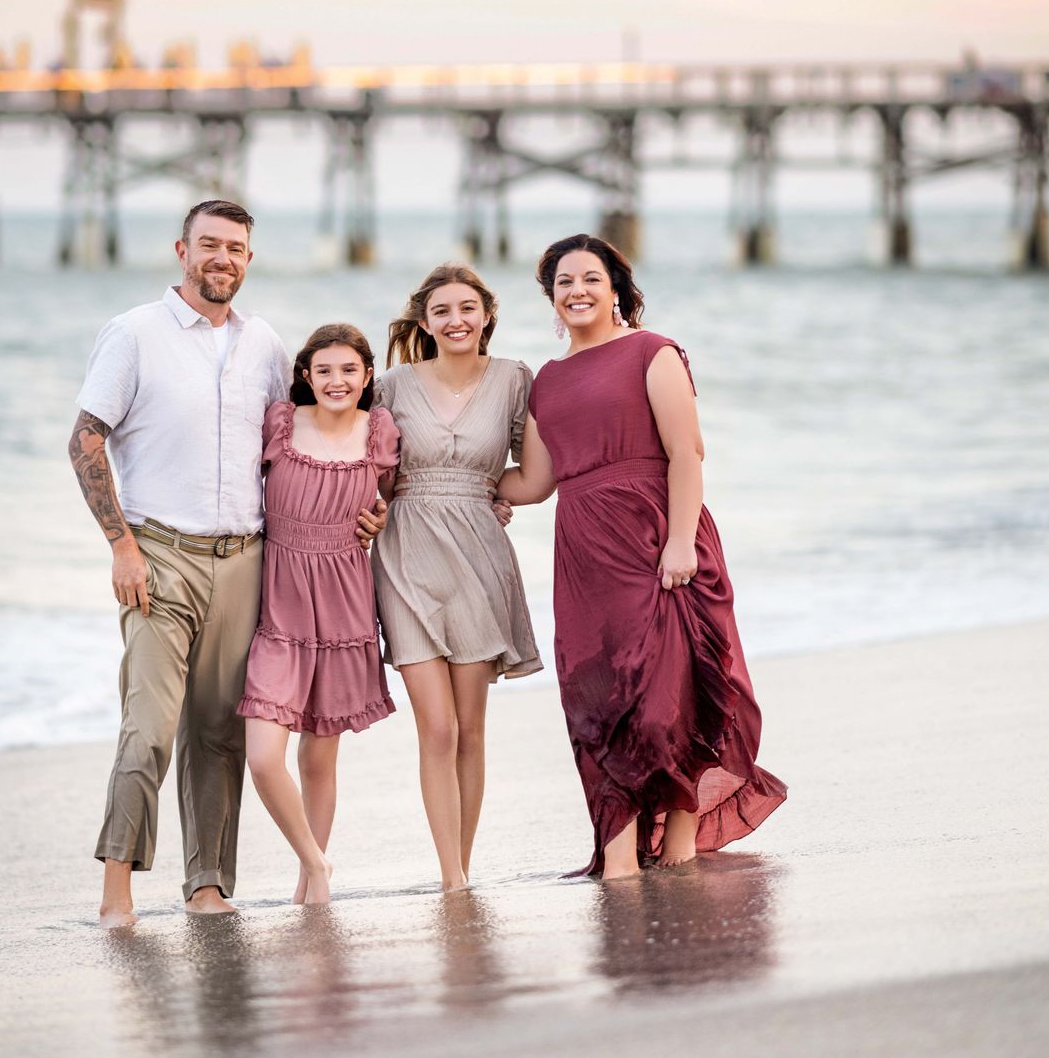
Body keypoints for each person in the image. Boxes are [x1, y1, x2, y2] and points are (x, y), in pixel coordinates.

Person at [69, 200, 388, 928]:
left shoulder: (266, 346)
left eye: (236, 248)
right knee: (149, 725)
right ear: (182, 249)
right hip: (158, 553)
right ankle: (117, 885)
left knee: (219, 731)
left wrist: (372, 511)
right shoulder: (135, 335)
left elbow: (314, 439)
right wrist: (121, 545)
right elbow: (85, 440)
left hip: (246, 560)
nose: (222, 258)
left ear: (250, 258)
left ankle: (208, 885)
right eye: (209, 245)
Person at [497, 234, 786, 879]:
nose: (577, 291)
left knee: (669, 699)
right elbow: (536, 482)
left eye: (590, 279)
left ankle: (680, 848)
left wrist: (681, 541)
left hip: (659, 538)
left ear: (616, 289)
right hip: (584, 555)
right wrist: (447, 481)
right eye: (564, 281)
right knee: (597, 700)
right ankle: (620, 858)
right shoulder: (547, 379)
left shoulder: (653, 353)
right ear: (550, 295)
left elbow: (686, 454)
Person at [371, 263, 541, 892]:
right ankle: (450, 876)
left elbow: (537, 475)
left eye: (467, 308)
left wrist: (490, 494)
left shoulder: (514, 379)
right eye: (442, 311)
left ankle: (462, 869)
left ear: (487, 315)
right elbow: (373, 474)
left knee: (470, 729)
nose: (456, 320)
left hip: (478, 557)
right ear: (424, 321)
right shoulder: (389, 385)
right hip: (405, 553)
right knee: (436, 728)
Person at [238, 324, 400, 905]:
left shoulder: (378, 432)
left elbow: (398, 496)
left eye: (349, 370)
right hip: (279, 604)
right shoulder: (280, 425)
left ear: (366, 376)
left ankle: (310, 889)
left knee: (320, 753)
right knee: (263, 756)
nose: (337, 381)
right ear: (306, 376)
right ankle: (317, 861)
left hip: (344, 602)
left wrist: (378, 516)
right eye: (324, 371)